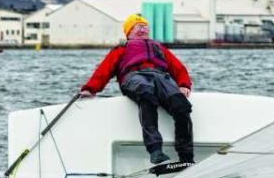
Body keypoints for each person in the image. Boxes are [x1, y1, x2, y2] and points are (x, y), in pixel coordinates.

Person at [79, 14, 194, 166]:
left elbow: (178, 68)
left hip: (161, 77)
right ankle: (155, 150)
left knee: (181, 106)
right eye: (137, 27)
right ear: (129, 32)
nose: (143, 29)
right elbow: (103, 71)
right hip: (134, 77)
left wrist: (184, 84)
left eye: (145, 26)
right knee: (146, 95)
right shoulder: (122, 49)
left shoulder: (159, 47)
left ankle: (186, 156)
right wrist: (90, 89)